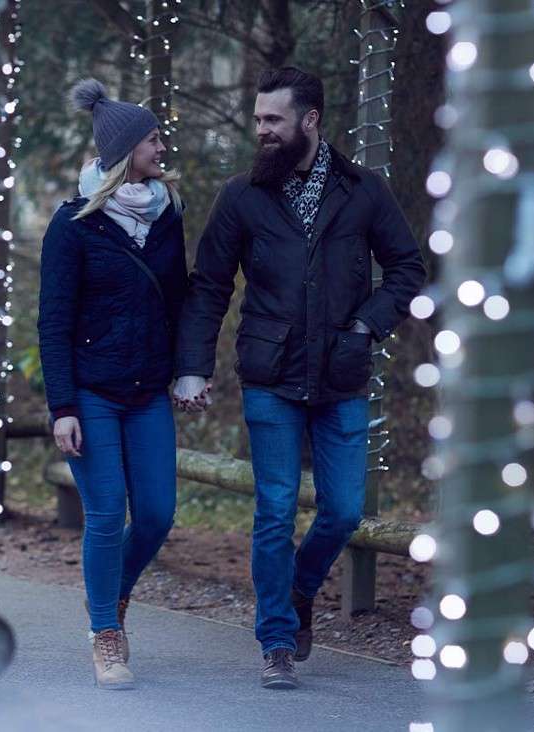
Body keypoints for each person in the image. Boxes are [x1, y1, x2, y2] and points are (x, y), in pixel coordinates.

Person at [172, 67, 426, 690]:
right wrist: (191, 366)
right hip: (269, 375)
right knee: (276, 508)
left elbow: (407, 267)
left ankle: (297, 590)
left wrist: (368, 324)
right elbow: (209, 286)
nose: (261, 130)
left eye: (272, 120)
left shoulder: (364, 190)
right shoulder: (242, 195)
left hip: (343, 372)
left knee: (341, 511)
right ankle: (277, 641)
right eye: (258, 120)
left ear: (309, 121)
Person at [38, 78, 187, 690]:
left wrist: (187, 371)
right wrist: (62, 406)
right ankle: (106, 634)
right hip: (93, 393)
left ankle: (112, 598)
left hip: (148, 389)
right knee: (106, 514)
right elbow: (53, 320)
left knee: (155, 514)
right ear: (126, 150)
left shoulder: (168, 214)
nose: (161, 146)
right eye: (153, 138)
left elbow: (179, 300)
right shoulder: (72, 225)